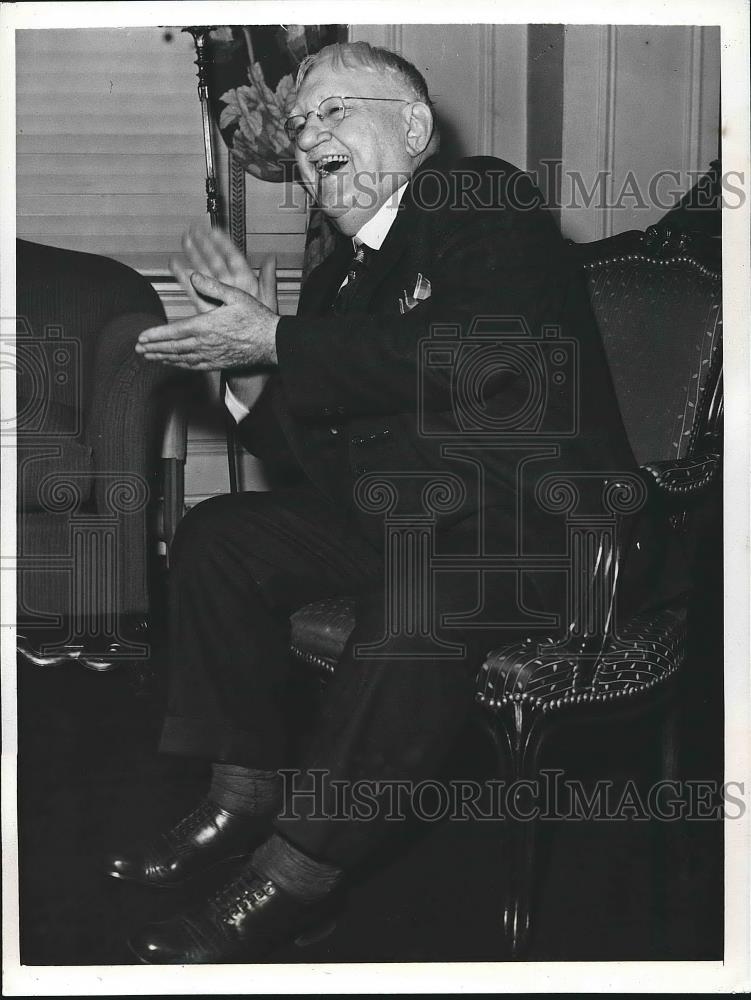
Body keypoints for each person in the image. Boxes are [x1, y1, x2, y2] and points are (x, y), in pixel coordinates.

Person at [111, 41, 641, 964]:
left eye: (333, 110)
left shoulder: (480, 200)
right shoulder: (335, 278)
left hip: (539, 529)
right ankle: (242, 796)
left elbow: (489, 353)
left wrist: (276, 338)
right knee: (221, 534)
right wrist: (247, 367)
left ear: (413, 129)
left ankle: (295, 876)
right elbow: (311, 460)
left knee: (421, 595)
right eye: (300, 120)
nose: (309, 133)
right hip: (410, 520)